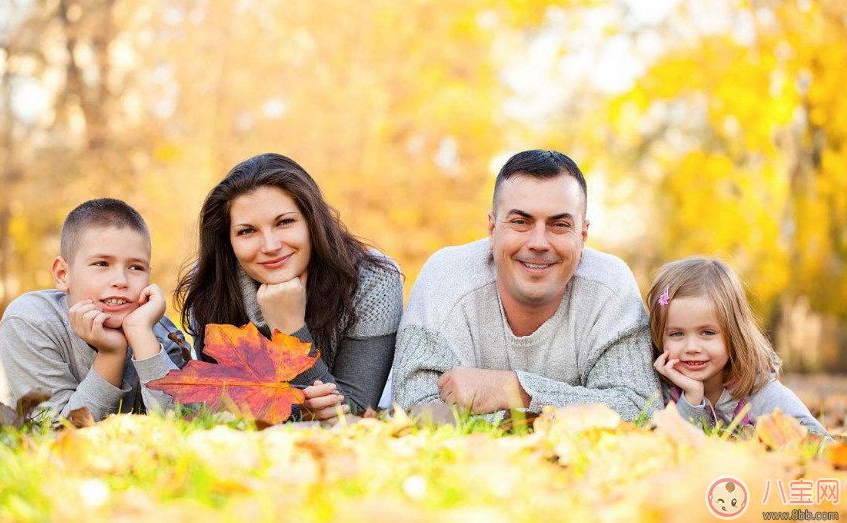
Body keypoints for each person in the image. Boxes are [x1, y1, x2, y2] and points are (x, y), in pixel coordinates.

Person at [392, 150, 659, 421]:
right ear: (492, 229)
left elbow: (641, 408)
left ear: (583, 236)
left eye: (559, 224)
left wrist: (517, 390)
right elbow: (415, 409)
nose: (539, 243)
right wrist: (568, 415)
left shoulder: (611, 288)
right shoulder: (446, 278)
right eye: (520, 222)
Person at [175, 153, 403, 423]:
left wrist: (290, 329)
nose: (270, 246)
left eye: (284, 222)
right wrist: (302, 408)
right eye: (247, 231)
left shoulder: (372, 281)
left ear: (312, 222)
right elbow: (224, 409)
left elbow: (351, 410)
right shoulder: (211, 282)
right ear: (228, 242)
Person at [0, 198, 189, 421]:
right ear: (62, 275)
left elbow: (183, 423)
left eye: (136, 267)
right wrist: (111, 354)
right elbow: (59, 431)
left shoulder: (159, 335)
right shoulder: (29, 321)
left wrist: (142, 337)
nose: (121, 280)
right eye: (102, 264)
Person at [649, 256, 826, 433]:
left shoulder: (760, 392)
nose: (692, 347)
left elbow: (819, 439)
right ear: (659, 336)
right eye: (677, 334)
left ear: (734, 333)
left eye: (707, 333)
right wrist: (691, 399)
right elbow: (660, 446)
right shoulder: (660, 392)